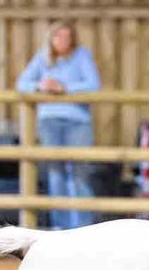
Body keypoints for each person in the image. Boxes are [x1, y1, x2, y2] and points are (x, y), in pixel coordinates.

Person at [14, 21, 105, 229]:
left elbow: (93, 85)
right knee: (56, 174)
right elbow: (21, 83)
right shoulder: (43, 58)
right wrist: (40, 85)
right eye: (58, 36)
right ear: (50, 39)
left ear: (73, 39)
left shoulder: (81, 56)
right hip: (49, 121)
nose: (62, 41)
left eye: (67, 36)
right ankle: (60, 227)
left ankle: (83, 227)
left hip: (77, 121)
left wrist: (63, 88)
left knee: (79, 173)